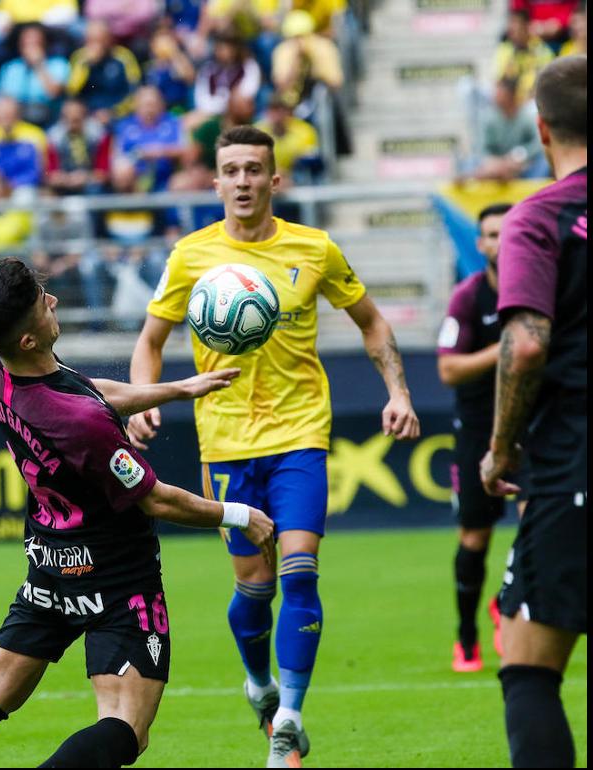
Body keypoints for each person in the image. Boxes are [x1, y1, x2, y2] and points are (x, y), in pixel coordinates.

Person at [129, 125, 421, 768]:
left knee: (300, 571)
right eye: (230, 170)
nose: (242, 181)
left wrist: (397, 392)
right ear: (215, 181)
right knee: (254, 587)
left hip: (301, 436)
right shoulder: (190, 256)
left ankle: (287, 716)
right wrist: (146, 401)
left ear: (274, 179)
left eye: (254, 169)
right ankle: (259, 683)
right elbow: (151, 340)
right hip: (227, 444)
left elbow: (372, 321)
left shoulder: (314, 249)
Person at [0, 257, 273, 768]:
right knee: (126, 726)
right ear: (28, 340)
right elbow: (158, 498)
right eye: (42, 301)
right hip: (116, 573)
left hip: (51, 563)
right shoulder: (79, 426)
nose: (52, 300)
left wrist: (177, 389)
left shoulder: (5, 375)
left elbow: (88, 392)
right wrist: (240, 515)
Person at [479, 55, 586, 769]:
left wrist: (502, 448)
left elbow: (524, 348)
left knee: (528, 664)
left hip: (573, 458)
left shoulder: (540, 217)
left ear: (540, 129)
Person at [436, 203, 520, 673]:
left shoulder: (543, 289)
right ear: (481, 243)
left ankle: (509, 601)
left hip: (533, 425)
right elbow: (448, 368)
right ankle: (467, 636)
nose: (501, 242)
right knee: (475, 538)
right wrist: (505, 349)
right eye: (491, 234)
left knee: (537, 528)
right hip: (477, 432)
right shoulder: (468, 298)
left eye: (510, 233)